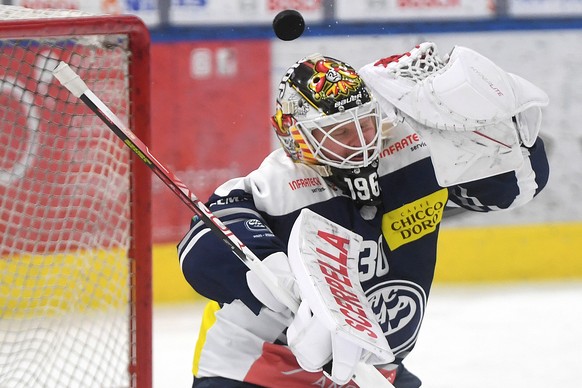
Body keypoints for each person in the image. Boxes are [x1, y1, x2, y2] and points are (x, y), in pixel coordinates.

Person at [177, 42, 549, 388]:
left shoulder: (414, 157)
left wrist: (489, 123)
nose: (360, 143)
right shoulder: (278, 183)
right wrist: (299, 289)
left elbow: (512, 188)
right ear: (296, 137)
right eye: (338, 133)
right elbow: (204, 248)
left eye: (366, 124)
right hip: (258, 370)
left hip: (371, 369)